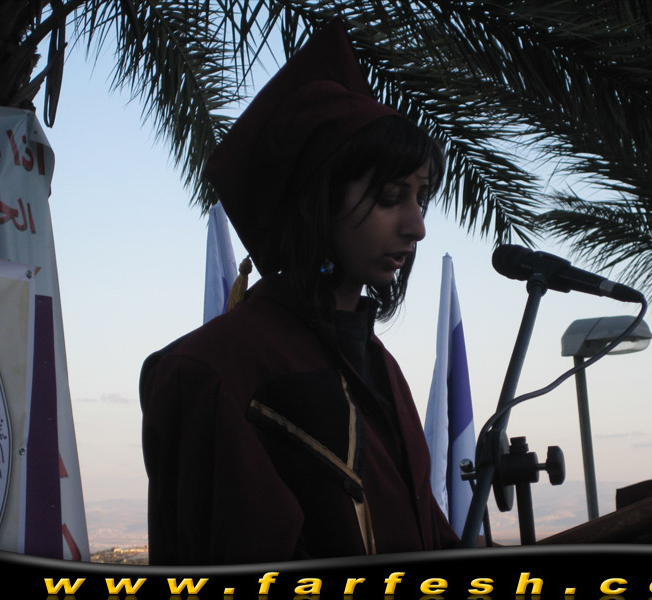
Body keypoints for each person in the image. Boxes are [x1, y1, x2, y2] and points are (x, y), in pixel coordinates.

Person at [139, 17, 459, 565]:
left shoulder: (380, 366)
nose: (417, 226)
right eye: (390, 197)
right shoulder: (214, 371)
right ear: (319, 202)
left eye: (420, 196)